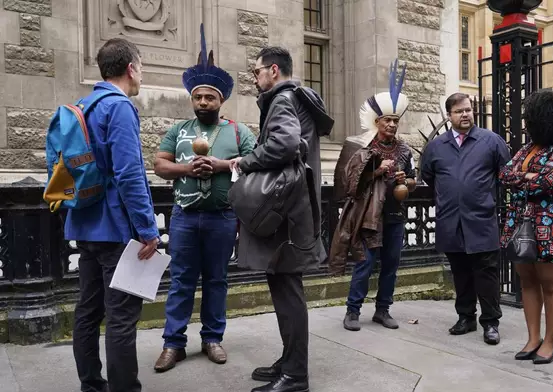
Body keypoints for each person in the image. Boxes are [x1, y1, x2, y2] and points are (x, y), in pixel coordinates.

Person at [152, 24, 257, 372]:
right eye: (197, 97)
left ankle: (213, 338)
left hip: (222, 217)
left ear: (220, 100)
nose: (202, 102)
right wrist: (187, 169)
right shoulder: (178, 131)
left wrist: (221, 164)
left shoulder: (238, 131)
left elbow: (254, 164)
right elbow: (159, 165)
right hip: (184, 217)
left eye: (209, 97)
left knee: (216, 280)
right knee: (181, 279)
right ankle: (173, 344)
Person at [230, 46, 330, 392]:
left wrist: (245, 162)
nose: (255, 78)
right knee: (285, 289)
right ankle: (289, 361)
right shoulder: (300, 98)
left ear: (273, 70)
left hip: (285, 212)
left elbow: (285, 145)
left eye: (256, 72)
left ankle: (296, 375)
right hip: (295, 209)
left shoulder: (283, 99)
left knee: (288, 293)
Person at [65, 38, 159, 392]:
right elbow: (130, 174)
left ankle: (91, 385)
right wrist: (149, 230)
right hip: (116, 230)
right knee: (121, 317)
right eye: (142, 68)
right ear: (131, 68)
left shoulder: (82, 105)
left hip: (85, 223)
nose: (141, 76)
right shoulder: (119, 107)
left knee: (88, 310)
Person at [327, 59, 416, 332]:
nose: (392, 125)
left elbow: (413, 181)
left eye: (395, 121)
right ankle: (352, 311)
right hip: (368, 217)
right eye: (387, 120)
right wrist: (377, 171)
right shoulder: (360, 148)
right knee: (364, 265)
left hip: (394, 216)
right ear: (377, 122)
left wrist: (406, 181)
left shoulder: (405, 151)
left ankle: (383, 310)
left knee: (390, 265)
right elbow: (347, 185)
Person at [420, 92, 510, 345]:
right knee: (460, 272)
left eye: (468, 110)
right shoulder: (437, 147)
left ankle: (491, 322)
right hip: (451, 221)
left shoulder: (491, 141)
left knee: (487, 273)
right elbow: (429, 176)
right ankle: (465, 317)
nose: (465, 114)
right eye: (459, 111)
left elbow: (506, 174)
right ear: (450, 116)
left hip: (481, 220)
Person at [499, 89, 553, 364]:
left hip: (550, 222)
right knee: (528, 281)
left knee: (551, 282)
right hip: (522, 220)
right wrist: (528, 175)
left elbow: (547, 180)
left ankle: (550, 341)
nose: (526, 124)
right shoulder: (527, 147)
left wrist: (524, 176)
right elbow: (504, 173)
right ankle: (533, 338)